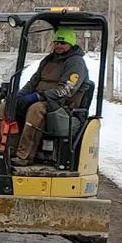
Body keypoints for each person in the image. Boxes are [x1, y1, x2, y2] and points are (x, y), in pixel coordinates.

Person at [12, 26, 92, 166]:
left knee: (36, 109)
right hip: (44, 99)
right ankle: (8, 149)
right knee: (6, 107)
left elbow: (67, 90)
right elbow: (33, 82)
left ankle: (24, 155)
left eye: (63, 43)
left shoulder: (76, 63)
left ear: (71, 44)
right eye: (56, 43)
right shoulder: (48, 60)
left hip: (63, 105)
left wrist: (39, 96)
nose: (58, 46)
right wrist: (20, 96)